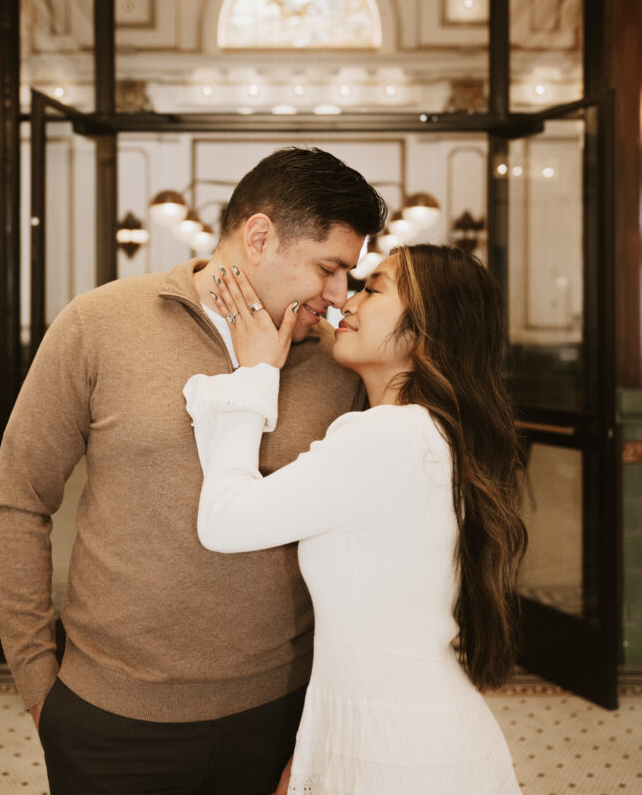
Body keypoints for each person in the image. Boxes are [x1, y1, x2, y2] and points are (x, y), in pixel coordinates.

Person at [0, 146, 387, 795]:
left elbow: (360, 546)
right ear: (258, 236)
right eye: (328, 269)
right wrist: (37, 684)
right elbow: (17, 502)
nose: (341, 297)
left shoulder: (336, 362)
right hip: (108, 717)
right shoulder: (98, 323)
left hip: (278, 712)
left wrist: (323, 717)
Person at [185, 243, 528, 795]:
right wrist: (314, 748)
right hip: (399, 724)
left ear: (423, 331)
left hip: (397, 747)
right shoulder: (429, 432)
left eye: (373, 288)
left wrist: (252, 380)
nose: (347, 302)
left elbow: (223, 521)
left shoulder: (388, 437)